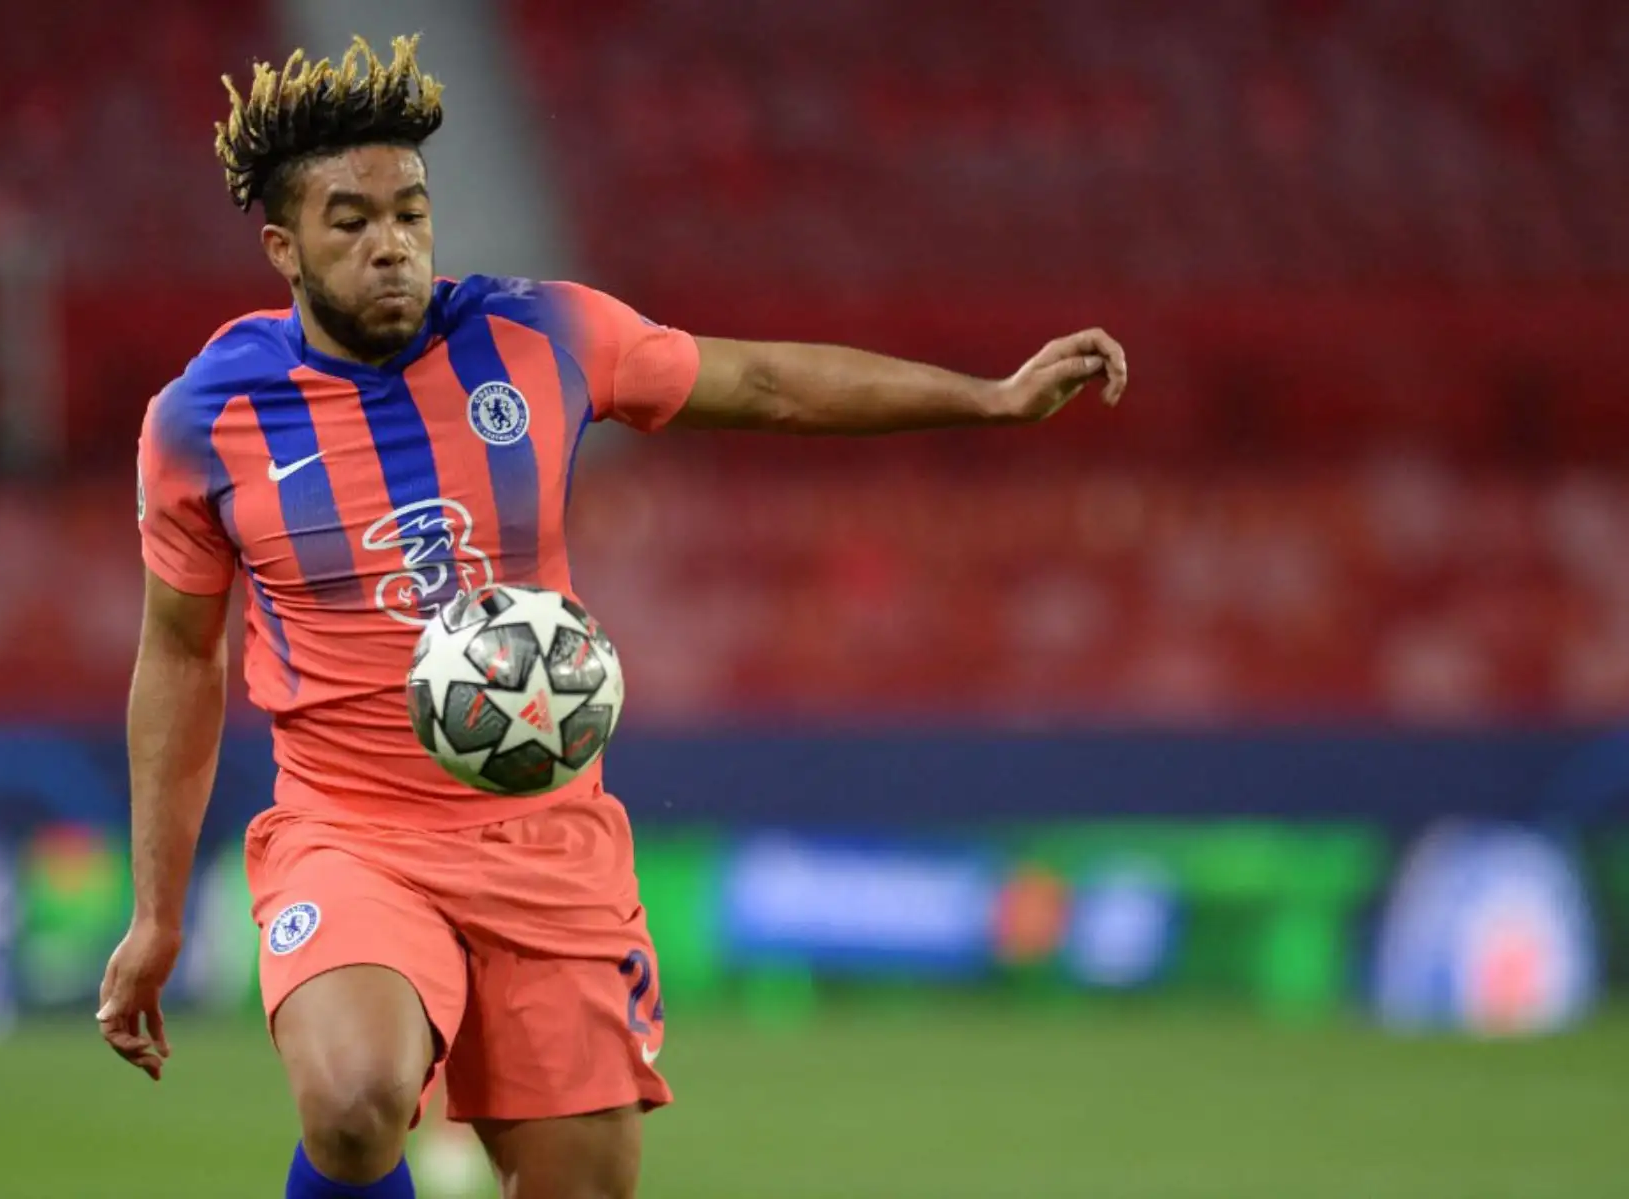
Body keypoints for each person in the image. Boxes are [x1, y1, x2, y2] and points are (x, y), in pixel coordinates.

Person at [95, 34, 1127, 1199]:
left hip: (548, 837)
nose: (391, 243)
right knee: (354, 1101)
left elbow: (765, 384)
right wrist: (157, 914)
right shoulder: (205, 421)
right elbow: (180, 656)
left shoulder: (539, 334)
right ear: (283, 247)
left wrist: (988, 398)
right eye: (351, 220)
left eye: (411, 213)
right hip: (353, 833)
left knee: (583, 1184)